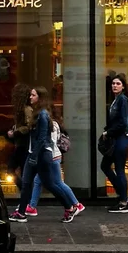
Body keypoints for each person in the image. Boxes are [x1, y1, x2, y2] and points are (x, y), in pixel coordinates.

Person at [9, 87, 80, 223]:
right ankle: (21, 213)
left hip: (42, 155)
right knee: (26, 183)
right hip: (34, 153)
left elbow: (42, 138)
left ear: (39, 98)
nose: (30, 97)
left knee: (50, 184)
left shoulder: (42, 114)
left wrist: (34, 156)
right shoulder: (36, 113)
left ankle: (69, 207)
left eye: (33, 95)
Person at [26, 99, 85, 219]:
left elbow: (49, 141)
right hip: (54, 155)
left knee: (57, 182)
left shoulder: (50, 124)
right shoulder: (55, 124)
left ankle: (76, 204)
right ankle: (32, 206)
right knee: (39, 181)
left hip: (52, 156)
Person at [100, 73, 128, 213]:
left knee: (119, 169)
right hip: (116, 137)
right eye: (113, 83)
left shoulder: (122, 99)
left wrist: (108, 132)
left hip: (122, 137)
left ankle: (123, 202)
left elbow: (123, 122)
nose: (115, 86)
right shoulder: (116, 99)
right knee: (105, 166)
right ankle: (122, 194)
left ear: (123, 86)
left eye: (118, 83)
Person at [7, 83, 32, 196]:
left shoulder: (26, 109)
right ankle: (26, 196)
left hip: (24, 145)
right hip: (21, 145)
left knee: (13, 170)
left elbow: (29, 126)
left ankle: (25, 196)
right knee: (19, 171)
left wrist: (15, 132)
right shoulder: (22, 109)